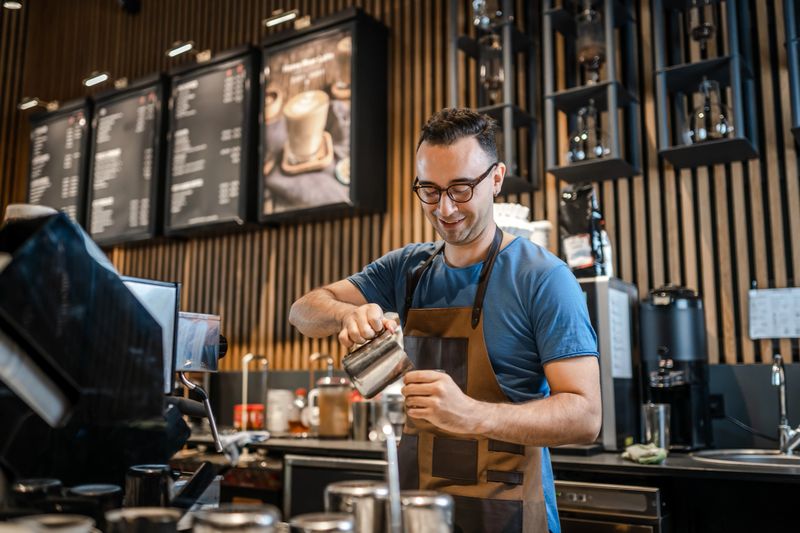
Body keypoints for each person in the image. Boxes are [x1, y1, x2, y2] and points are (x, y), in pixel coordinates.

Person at [289, 108, 601, 533]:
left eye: (461, 188)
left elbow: (585, 417)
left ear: (495, 178)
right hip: (418, 516)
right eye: (430, 191)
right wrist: (348, 313)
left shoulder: (543, 278)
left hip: (507, 515)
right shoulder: (406, 268)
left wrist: (473, 415)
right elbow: (303, 312)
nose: (446, 208)